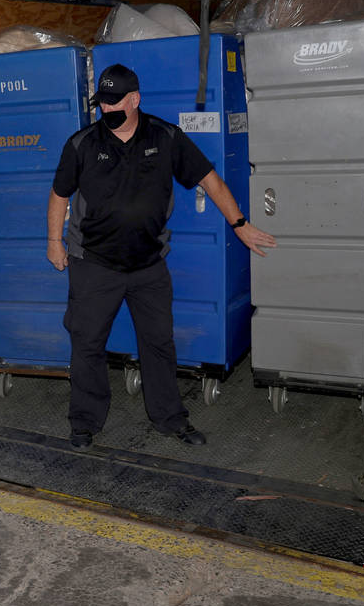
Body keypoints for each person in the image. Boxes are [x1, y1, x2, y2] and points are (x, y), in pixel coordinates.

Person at [47, 64, 276, 451]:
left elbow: (210, 180)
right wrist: (54, 240)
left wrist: (240, 224)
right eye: (101, 103)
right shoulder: (81, 143)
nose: (106, 110)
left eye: (114, 101)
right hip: (94, 264)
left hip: (148, 265)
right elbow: (59, 195)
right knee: (86, 343)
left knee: (158, 343)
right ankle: (85, 423)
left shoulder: (166, 136)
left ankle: (170, 419)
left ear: (134, 100)